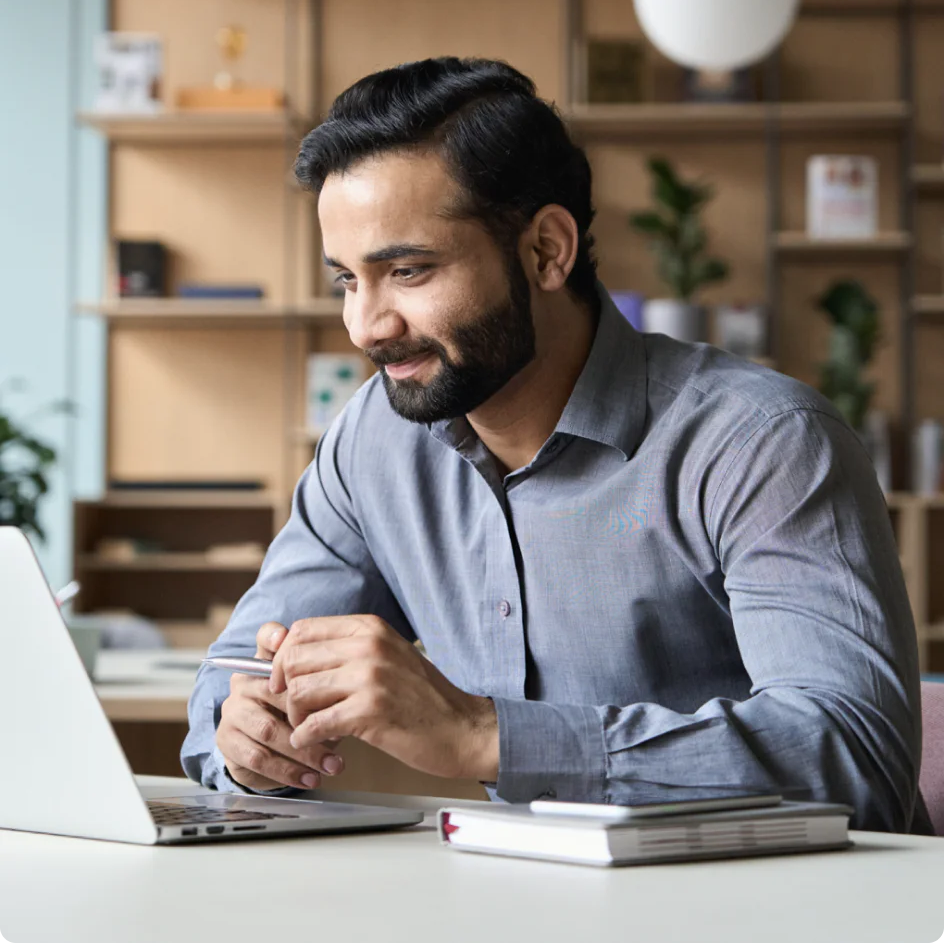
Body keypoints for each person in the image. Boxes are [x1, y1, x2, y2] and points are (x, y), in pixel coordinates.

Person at [181, 56, 929, 832]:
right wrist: (247, 744)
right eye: (347, 281)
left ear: (546, 250)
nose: (367, 325)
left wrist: (484, 737)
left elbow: (855, 758)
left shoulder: (760, 444)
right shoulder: (374, 440)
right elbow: (227, 684)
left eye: (407, 271)